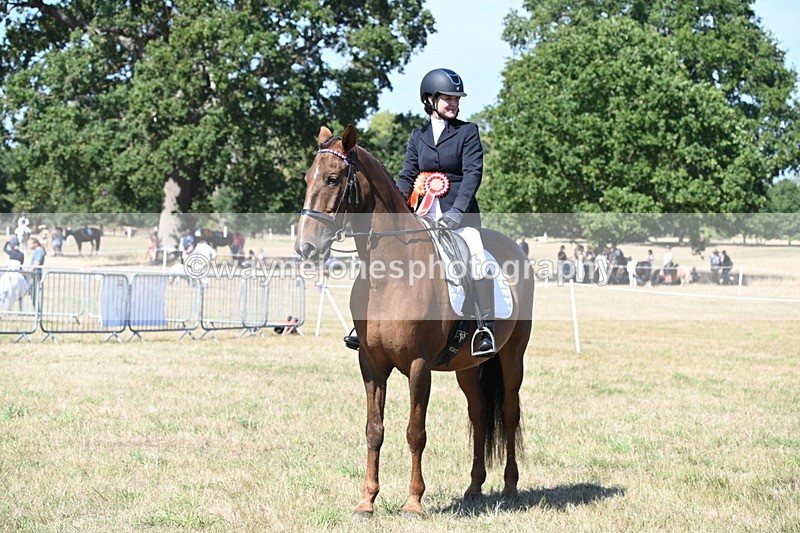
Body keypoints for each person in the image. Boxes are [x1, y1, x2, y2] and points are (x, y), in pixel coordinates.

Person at [347, 68, 496, 356]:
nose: (454, 103)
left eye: (456, 99)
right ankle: (366, 323)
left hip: (458, 216)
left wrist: (456, 212)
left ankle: (484, 327)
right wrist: (397, 206)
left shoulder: (468, 132)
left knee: (476, 254)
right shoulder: (418, 136)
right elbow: (406, 176)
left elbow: (472, 175)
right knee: (382, 255)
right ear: (430, 100)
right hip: (420, 215)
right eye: (448, 98)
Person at [27, 237, 45, 309]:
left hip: (36, 275)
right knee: (32, 292)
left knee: (34, 293)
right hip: (33, 274)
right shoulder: (37, 251)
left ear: (36, 244)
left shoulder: (39, 250)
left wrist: (30, 270)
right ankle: (37, 310)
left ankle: (38, 311)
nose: (28, 245)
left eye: (30, 244)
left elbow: (37, 263)